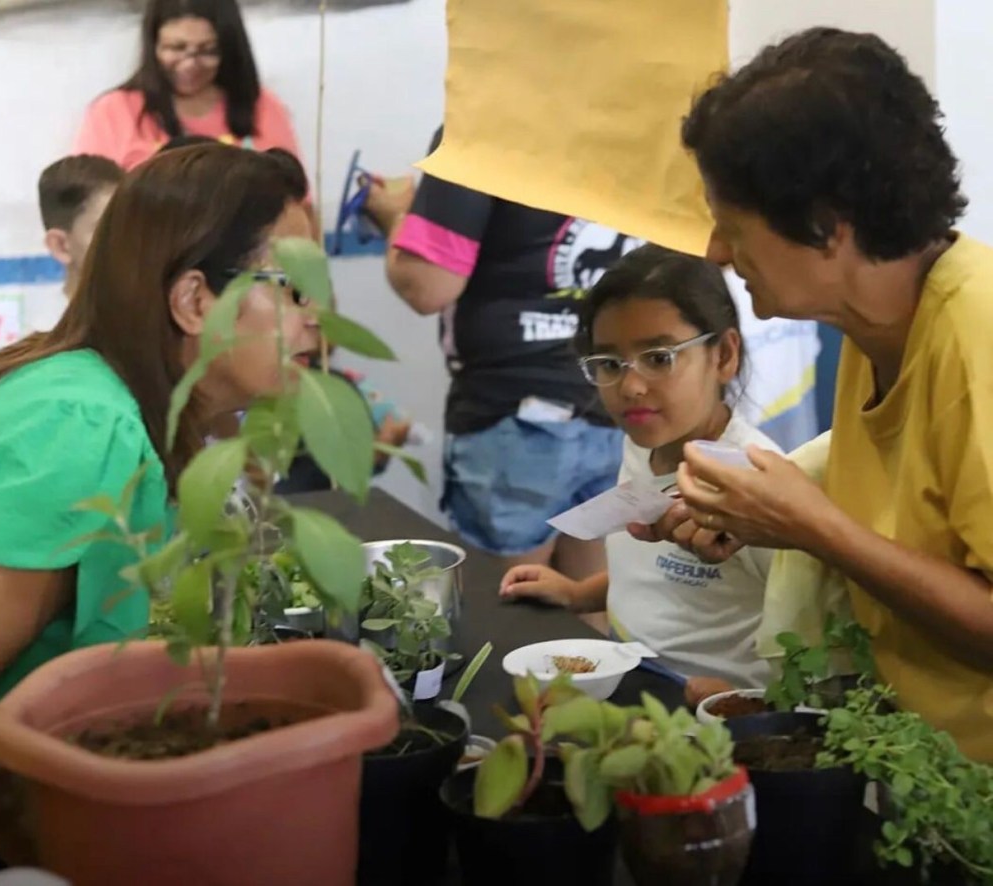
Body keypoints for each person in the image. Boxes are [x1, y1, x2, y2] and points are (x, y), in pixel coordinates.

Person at [0, 143, 321, 867]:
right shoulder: (84, 427)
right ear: (194, 301)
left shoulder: (129, 403)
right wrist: (45, 852)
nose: (318, 318)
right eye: (293, 287)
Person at [651, 27, 993, 761]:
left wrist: (813, 526)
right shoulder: (878, 322)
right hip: (910, 755)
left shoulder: (978, 338)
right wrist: (756, 507)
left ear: (826, 229)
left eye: (732, 224)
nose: (715, 251)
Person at [366, 127, 638, 589]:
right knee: (585, 609)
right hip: (613, 404)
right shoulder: (624, 117)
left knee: (507, 615)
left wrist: (395, 217)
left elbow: (426, 285)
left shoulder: (484, 126)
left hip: (515, 420)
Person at [499, 244, 778, 688]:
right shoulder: (645, 444)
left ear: (723, 355)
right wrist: (578, 593)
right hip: (633, 678)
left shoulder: (756, 480)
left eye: (659, 358)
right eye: (609, 364)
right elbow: (653, 574)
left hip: (713, 720)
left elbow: (812, 630)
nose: (630, 386)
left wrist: (754, 698)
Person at [73, 0, 302, 171]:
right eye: (176, 48)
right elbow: (86, 208)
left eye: (208, 51)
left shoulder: (262, 106)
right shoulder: (113, 112)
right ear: (153, 44)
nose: (190, 64)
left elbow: (300, 205)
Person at [28, 155, 124, 331]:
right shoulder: (43, 338)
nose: (128, 239)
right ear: (60, 245)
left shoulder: (158, 321)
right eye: (106, 229)